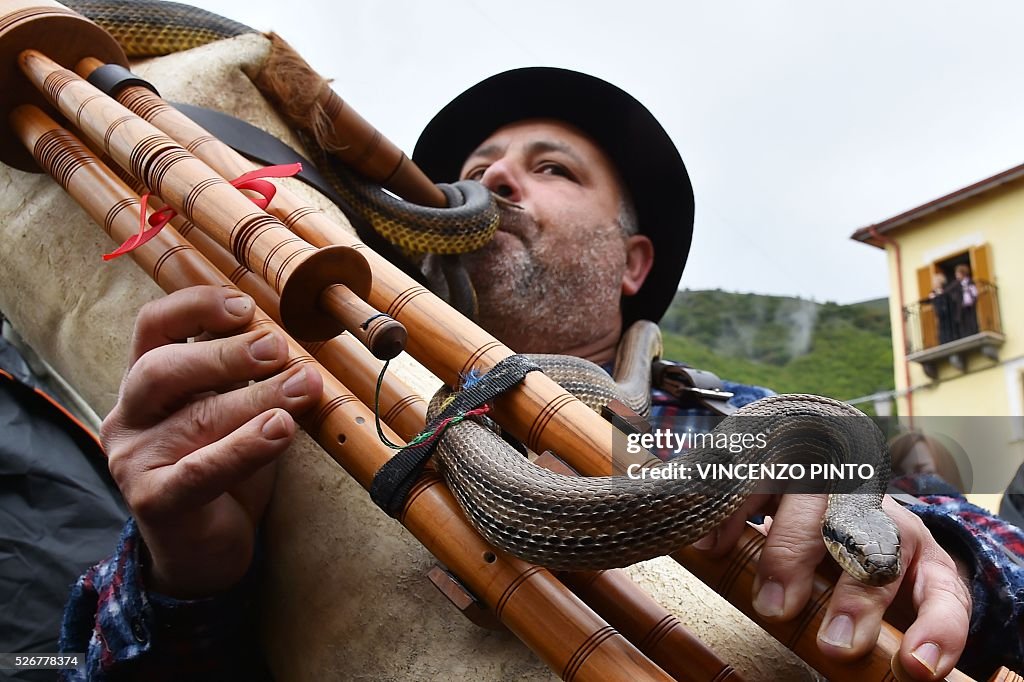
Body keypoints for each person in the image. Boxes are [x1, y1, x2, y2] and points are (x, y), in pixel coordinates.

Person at [59, 67, 1021, 680]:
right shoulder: (302, 402)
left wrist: (939, 556)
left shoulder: (753, 422)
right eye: (480, 168)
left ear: (632, 263)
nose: (501, 180)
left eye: (552, 167)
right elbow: (68, 661)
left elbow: (996, 557)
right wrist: (181, 575)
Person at [950, 263, 980, 338]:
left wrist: (972, 296)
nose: (956, 275)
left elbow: (974, 292)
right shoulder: (956, 284)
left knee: (971, 319)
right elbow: (949, 292)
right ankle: (965, 335)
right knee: (963, 321)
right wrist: (956, 298)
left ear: (962, 273)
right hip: (961, 306)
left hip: (970, 305)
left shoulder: (970, 282)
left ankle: (973, 333)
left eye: (957, 273)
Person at [925, 272, 956, 346]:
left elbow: (950, 300)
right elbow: (928, 301)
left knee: (948, 329)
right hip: (940, 315)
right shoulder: (933, 293)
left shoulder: (946, 290)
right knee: (942, 330)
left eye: (935, 282)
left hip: (948, 315)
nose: (934, 284)